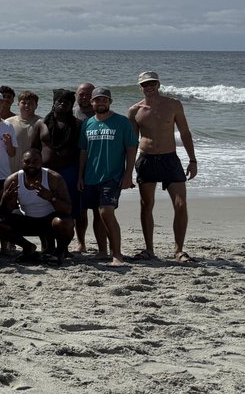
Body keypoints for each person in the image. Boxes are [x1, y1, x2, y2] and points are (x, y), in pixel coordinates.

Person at [128, 71, 198, 262]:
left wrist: (192, 160)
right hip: (146, 160)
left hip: (170, 159)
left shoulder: (173, 104)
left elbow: (185, 133)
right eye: (144, 84)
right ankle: (149, 249)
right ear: (140, 87)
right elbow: (131, 142)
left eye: (152, 83)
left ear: (158, 84)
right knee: (147, 205)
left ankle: (179, 250)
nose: (148, 87)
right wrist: (127, 171)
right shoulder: (135, 110)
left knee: (181, 204)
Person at [78, 87, 137, 266]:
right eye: (98, 100)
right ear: (92, 102)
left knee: (106, 212)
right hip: (90, 177)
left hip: (112, 176)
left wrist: (128, 175)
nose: (101, 102)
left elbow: (131, 149)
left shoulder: (121, 122)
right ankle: (102, 250)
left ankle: (117, 254)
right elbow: (83, 152)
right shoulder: (88, 124)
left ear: (110, 102)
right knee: (97, 213)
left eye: (105, 100)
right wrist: (80, 176)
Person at [0, 149, 74, 264]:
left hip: (49, 222)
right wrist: (5, 199)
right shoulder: (13, 180)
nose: (31, 165)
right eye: (27, 161)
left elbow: (68, 209)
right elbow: (3, 212)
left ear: (41, 162)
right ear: (22, 162)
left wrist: (51, 197)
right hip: (27, 221)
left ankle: (58, 253)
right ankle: (28, 247)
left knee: (65, 223)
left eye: (35, 161)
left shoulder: (54, 178)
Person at [32, 90, 86, 252]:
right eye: (59, 101)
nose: (62, 104)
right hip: (46, 173)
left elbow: (81, 151)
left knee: (68, 209)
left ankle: (66, 246)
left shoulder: (77, 124)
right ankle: (46, 245)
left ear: (71, 105)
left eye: (67, 102)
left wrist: (80, 176)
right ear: (54, 103)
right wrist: (31, 173)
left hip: (69, 172)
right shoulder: (41, 124)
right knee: (45, 208)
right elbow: (34, 149)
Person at [5, 91, 41, 162]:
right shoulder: (8, 123)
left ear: (36, 105)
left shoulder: (41, 123)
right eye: (23, 103)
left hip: (32, 167)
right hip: (11, 167)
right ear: (18, 104)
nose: (27, 105)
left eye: (30, 103)